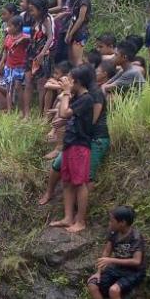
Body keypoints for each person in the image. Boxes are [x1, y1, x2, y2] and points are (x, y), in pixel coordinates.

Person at [86, 206, 145, 299]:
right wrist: (98, 272)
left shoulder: (136, 237)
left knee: (114, 290)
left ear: (122, 222)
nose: (109, 223)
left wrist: (111, 260)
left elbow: (137, 261)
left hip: (134, 271)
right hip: (117, 268)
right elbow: (106, 253)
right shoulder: (114, 232)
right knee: (92, 283)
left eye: (112, 220)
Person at [49, 65, 95, 233]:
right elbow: (67, 115)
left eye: (70, 79)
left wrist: (66, 92)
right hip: (70, 143)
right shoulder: (78, 98)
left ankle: (80, 221)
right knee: (67, 182)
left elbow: (64, 112)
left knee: (79, 183)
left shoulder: (86, 98)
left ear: (78, 82)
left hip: (79, 145)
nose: (67, 82)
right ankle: (68, 217)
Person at [0, 16, 29, 113]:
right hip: (9, 66)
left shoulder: (24, 36)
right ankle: (10, 110)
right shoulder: (8, 37)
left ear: (18, 27)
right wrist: (1, 64)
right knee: (8, 88)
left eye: (10, 26)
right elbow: (5, 52)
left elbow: (30, 37)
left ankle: (22, 110)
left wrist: (21, 39)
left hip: (19, 66)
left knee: (18, 87)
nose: (7, 28)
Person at [65, 0, 91, 65]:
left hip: (80, 33)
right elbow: (73, 18)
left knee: (77, 62)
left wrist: (71, 33)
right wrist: (68, 33)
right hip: (74, 31)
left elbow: (81, 19)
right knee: (72, 61)